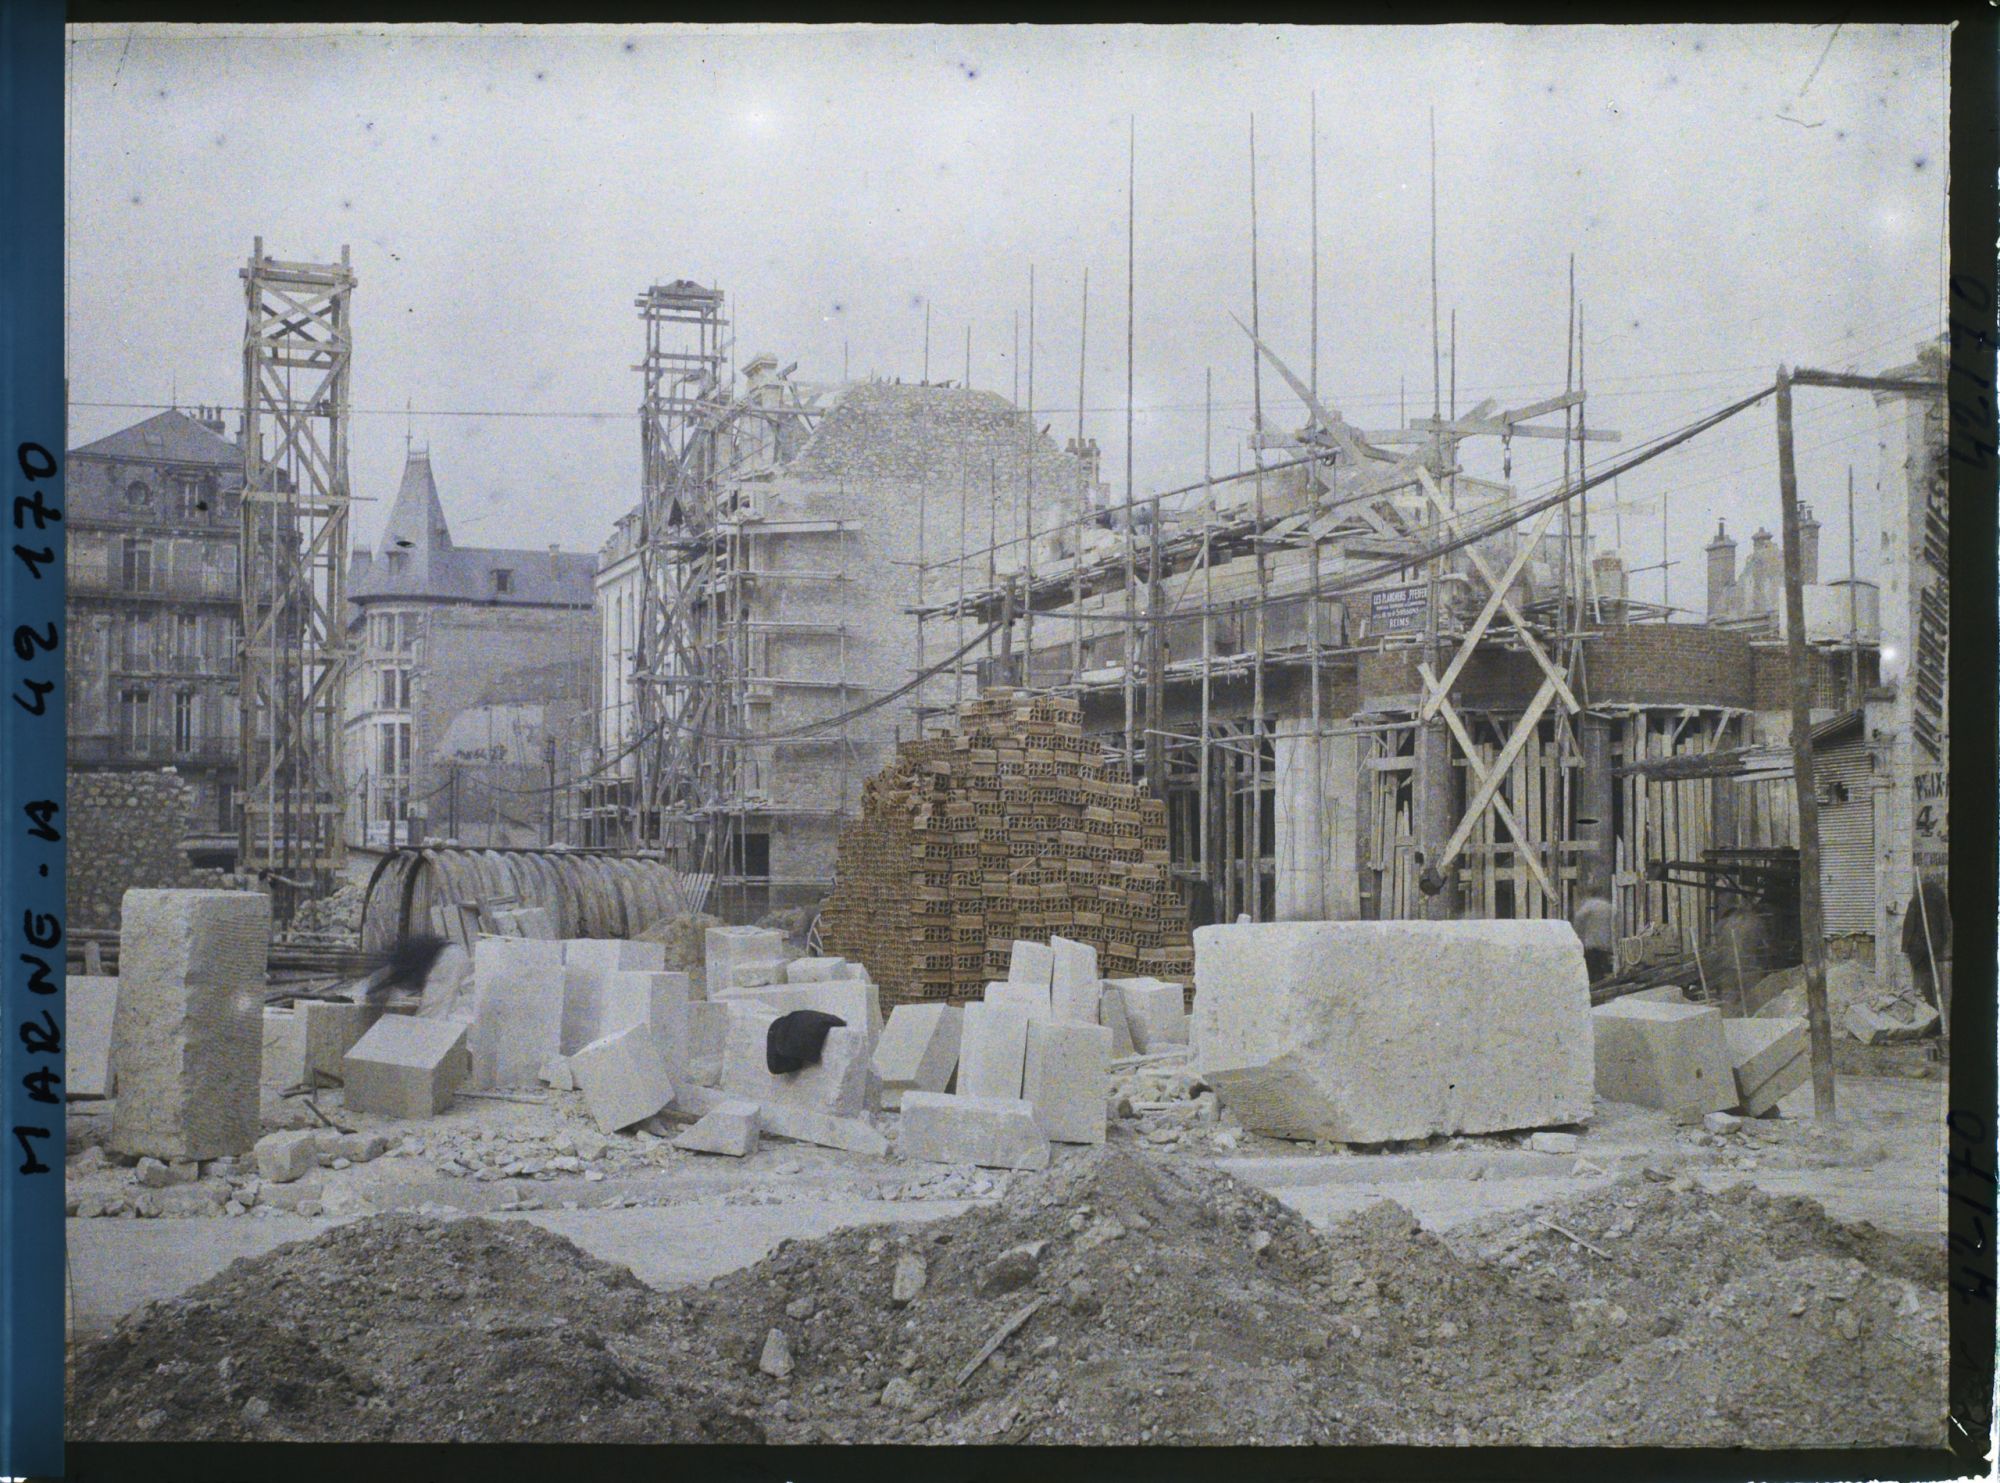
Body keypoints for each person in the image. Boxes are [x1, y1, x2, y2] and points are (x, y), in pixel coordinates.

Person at [1901, 877, 1950, 1014]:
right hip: (1935, 946)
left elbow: (1909, 923)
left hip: (1918, 948)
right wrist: (1942, 943)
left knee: (1921, 983)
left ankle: (1927, 1012)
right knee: (1933, 981)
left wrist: (1905, 947)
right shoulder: (1939, 898)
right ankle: (1933, 1012)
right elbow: (1946, 924)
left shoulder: (1917, 898)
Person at [1572, 894, 1616, 983]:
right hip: (1606, 943)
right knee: (1602, 968)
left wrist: (1577, 938)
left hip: (1592, 944)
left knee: (1592, 970)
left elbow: (1578, 922)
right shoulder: (1609, 906)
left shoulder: (1587, 906)